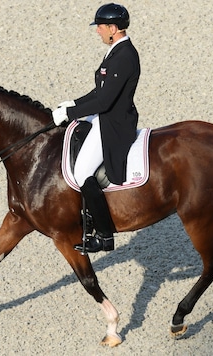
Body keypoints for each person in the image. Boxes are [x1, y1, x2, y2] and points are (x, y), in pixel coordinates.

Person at [52, 3, 141, 253]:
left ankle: (103, 235)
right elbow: (99, 92)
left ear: (113, 28)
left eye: (100, 27)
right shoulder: (115, 51)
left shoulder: (125, 56)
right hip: (104, 117)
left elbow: (104, 101)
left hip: (114, 123)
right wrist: (74, 103)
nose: (97, 31)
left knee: (81, 173)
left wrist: (69, 114)